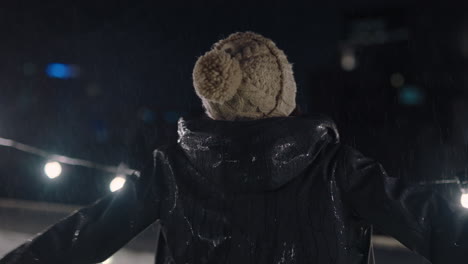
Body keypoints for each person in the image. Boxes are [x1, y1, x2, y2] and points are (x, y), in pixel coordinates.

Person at [1, 31, 468, 264]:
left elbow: (84, 236)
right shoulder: (336, 168)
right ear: (283, 94)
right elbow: (434, 224)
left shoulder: (173, 170)